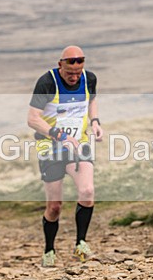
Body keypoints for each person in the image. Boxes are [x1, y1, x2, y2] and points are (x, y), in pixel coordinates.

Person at [27, 45, 103, 267]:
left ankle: (81, 244)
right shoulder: (47, 82)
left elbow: (92, 101)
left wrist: (95, 122)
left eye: (78, 73)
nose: (74, 77)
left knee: (87, 191)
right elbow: (32, 119)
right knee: (55, 206)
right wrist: (59, 135)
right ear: (60, 65)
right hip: (50, 147)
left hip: (78, 144)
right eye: (70, 73)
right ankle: (49, 249)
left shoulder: (89, 79)